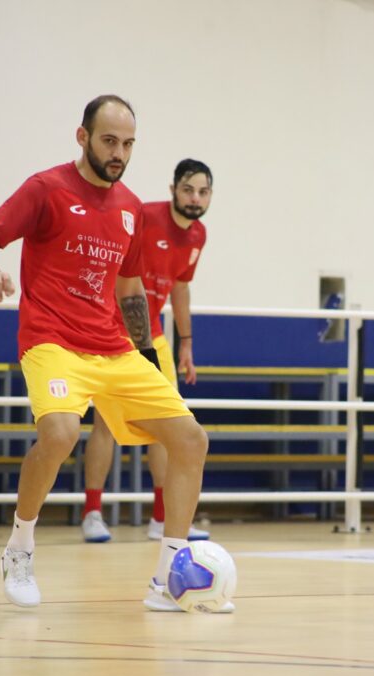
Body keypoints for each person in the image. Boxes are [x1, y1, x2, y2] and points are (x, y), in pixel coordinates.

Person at [0, 95, 231, 612]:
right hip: (51, 340)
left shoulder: (130, 207)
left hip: (113, 347)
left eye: (128, 144)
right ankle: (19, 548)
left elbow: (129, 288)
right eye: (109, 141)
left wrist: (146, 354)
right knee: (60, 433)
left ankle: (169, 578)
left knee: (191, 439)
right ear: (82, 137)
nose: (119, 152)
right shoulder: (47, 189)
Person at [80, 159, 213, 544]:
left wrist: (186, 343)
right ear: (173, 189)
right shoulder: (144, 215)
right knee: (105, 424)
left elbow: (182, 288)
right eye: (188, 189)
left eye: (203, 191)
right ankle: (92, 512)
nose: (195, 197)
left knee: (168, 425)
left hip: (154, 336)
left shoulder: (198, 235)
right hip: (113, 334)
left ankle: (162, 518)